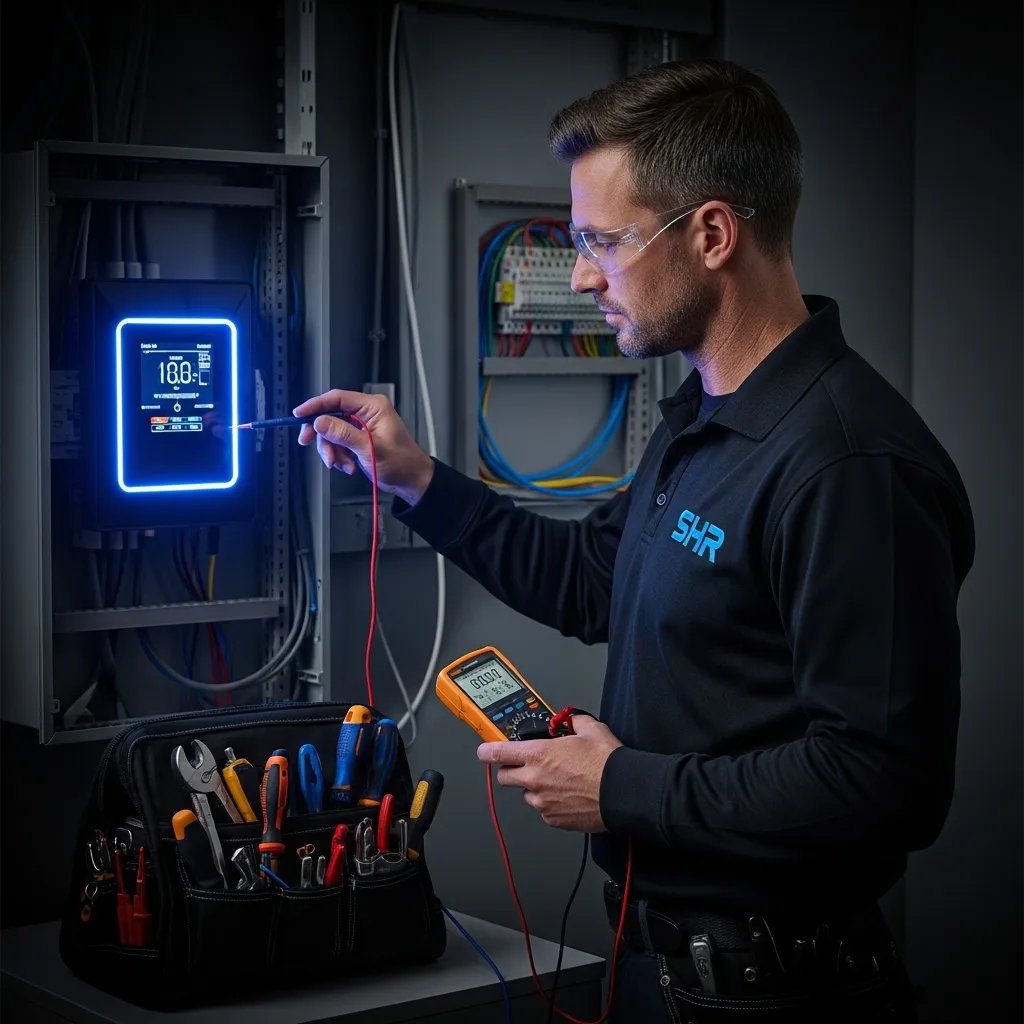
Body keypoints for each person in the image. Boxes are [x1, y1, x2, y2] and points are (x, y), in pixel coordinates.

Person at [294, 59, 974, 1024]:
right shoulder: (706, 416)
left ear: (710, 234)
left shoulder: (850, 465)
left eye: (602, 242)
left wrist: (621, 787)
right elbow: (589, 580)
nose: (580, 276)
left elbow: (885, 783)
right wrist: (414, 482)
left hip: (778, 990)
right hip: (658, 966)